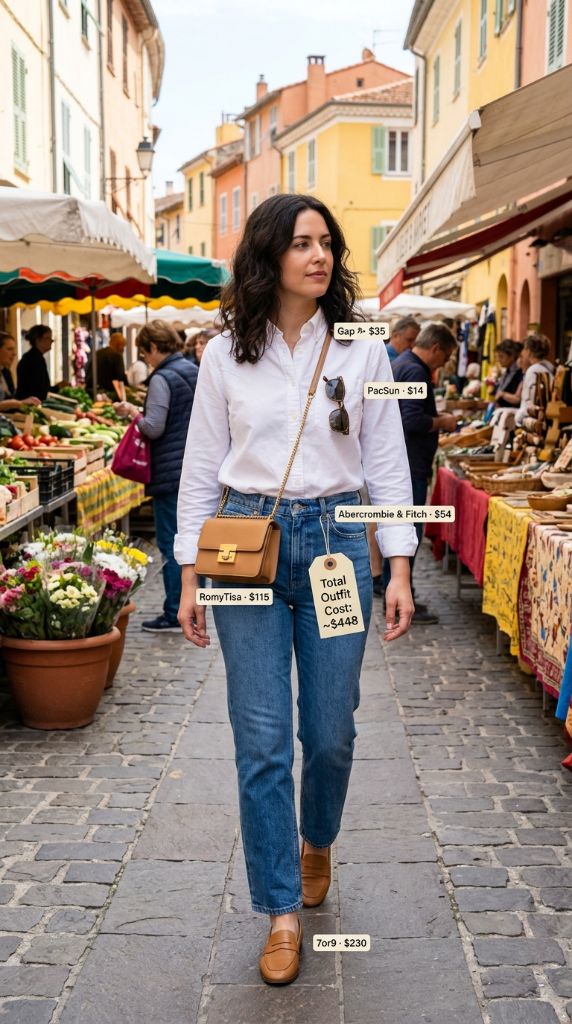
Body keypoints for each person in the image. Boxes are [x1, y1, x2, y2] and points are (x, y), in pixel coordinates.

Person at [174, 193, 417, 986]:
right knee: (262, 737)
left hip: (338, 549)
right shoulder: (222, 356)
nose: (320, 257)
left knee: (332, 727)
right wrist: (187, 570)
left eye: (327, 244)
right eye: (303, 243)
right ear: (269, 255)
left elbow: (384, 457)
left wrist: (401, 558)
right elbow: (200, 468)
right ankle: (280, 909)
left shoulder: (362, 348)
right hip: (245, 546)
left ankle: (318, 839)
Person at [114, 320, 198, 632]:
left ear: (153, 347)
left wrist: (133, 413)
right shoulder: (191, 369)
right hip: (191, 466)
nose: (145, 358)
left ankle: (175, 610)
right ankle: (192, 604)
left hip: (170, 470)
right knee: (190, 539)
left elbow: (154, 426)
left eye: (144, 351)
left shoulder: (163, 377)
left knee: (172, 543)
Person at [381, 322, 458, 624]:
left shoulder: (402, 363)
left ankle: (397, 594)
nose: (445, 363)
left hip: (403, 462)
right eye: (446, 356)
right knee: (407, 533)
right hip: (409, 464)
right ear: (436, 348)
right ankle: (402, 601)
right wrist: (444, 422)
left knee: (399, 531)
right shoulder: (414, 370)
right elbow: (411, 420)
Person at [515, 333, 554, 426]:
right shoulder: (543, 369)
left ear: (529, 351)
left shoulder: (534, 370)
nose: (522, 354)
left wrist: (518, 417)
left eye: (523, 350)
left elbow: (530, 405)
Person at [0, 332, 41, 411]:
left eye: (14, 349)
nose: (14, 354)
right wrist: (18, 403)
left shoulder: (6, 372)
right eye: (9, 349)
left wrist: (25, 401)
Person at [16, 325, 53, 402]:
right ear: (38, 340)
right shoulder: (33, 359)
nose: (51, 341)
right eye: (48, 338)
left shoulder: (36, 357)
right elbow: (38, 389)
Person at [493, 339, 523, 408]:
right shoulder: (506, 372)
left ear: (512, 357)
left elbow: (517, 399)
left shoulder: (519, 374)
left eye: (501, 356)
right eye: (498, 356)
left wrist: (502, 394)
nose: (498, 360)